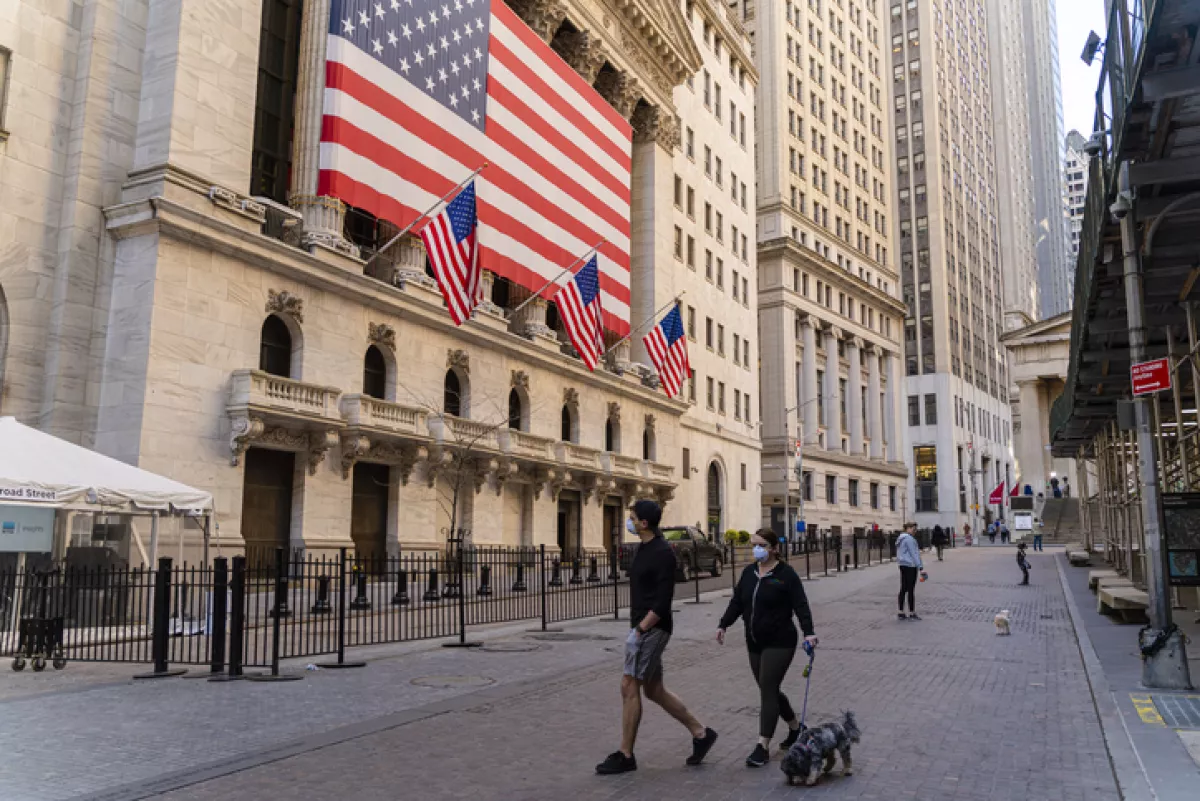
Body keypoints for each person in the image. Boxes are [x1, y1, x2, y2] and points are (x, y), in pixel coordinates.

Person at [596, 500, 717, 775]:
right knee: (653, 690)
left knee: (629, 685)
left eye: (632, 517)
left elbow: (663, 602)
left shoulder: (662, 552)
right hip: (643, 627)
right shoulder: (644, 547)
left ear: (644, 523)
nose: (629, 520)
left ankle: (626, 755)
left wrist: (639, 631)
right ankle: (701, 733)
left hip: (652, 628)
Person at [717, 529, 818, 767]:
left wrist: (809, 632)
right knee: (768, 687)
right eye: (754, 545)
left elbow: (800, 605)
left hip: (780, 641)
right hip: (754, 641)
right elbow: (737, 602)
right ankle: (795, 728)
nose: (756, 549)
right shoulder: (749, 573)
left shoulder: (786, 575)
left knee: (768, 689)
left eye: (761, 545)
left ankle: (762, 745)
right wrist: (723, 624)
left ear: (774, 548)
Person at [896, 523, 924, 620]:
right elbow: (914, 554)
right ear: (908, 528)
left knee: (903, 588)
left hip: (902, 564)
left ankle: (900, 611)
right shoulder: (909, 540)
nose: (915, 531)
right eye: (913, 529)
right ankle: (912, 612)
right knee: (911, 589)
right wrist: (920, 567)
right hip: (911, 565)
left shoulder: (901, 538)